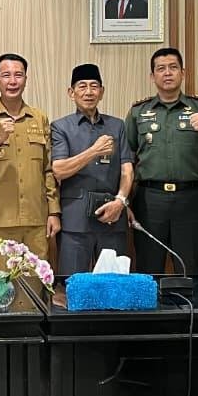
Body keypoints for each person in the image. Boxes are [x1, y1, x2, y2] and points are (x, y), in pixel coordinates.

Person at [125, 47, 198, 276]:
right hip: (149, 199)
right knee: (149, 266)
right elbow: (127, 159)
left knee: (190, 266)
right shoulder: (138, 112)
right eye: (160, 69)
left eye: (173, 67)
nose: (167, 73)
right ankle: (152, 312)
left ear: (183, 73)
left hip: (189, 199)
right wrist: (124, 200)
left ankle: (192, 310)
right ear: (152, 76)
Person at [0, 54, 61, 270]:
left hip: (36, 220)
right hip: (0, 221)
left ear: (26, 79)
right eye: (6, 75)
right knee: (3, 287)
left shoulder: (39, 118)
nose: (12, 81)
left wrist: (54, 212)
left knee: (36, 283)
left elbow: (47, 169)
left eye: (18, 75)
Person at [50, 64, 134, 277]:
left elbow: (127, 168)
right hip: (75, 222)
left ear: (102, 91)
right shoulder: (60, 127)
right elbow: (59, 170)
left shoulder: (117, 126)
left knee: (114, 286)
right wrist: (93, 151)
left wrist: (121, 201)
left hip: (112, 218)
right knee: (73, 285)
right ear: (71, 92)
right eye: (82, 86)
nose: (88, 92)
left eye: (94, 86)